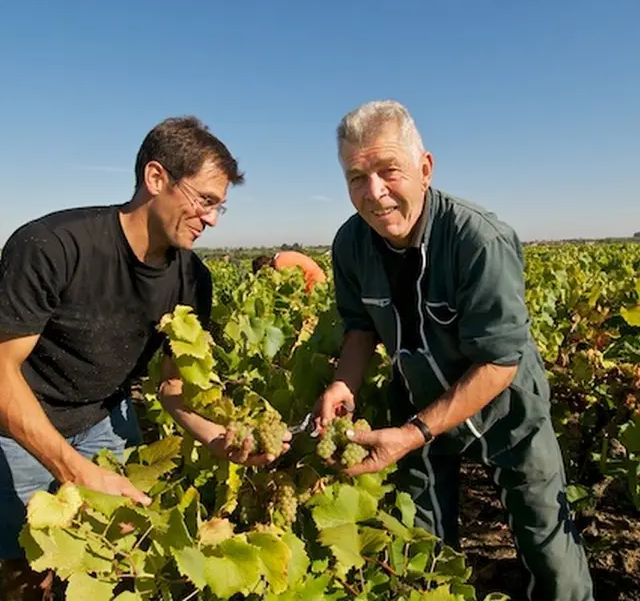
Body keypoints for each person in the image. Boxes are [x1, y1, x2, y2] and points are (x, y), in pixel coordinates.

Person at [313, 100, 594, 601]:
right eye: (356, 177)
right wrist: (343, 382)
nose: (374, 192)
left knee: (551, 553)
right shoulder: (350, 244)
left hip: (507, 407)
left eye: (388, 170)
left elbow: (499, 361)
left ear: (425, 169)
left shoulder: (477, 240)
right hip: (418, 400)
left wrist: (412, 433)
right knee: (422, 551)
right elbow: (360, 328)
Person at [0, 116, 289, 599]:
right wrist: (74, 470)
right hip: (19, 427)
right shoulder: (52, 247)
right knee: (26, 571)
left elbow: (172, 389)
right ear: (156, 178)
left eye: (220, 207)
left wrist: (215, 435)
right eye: (205, 201)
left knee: (111, 563)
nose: (213, 220)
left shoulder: (194, 279)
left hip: (106, 422)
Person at [252, 250, 327, 292]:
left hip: (314, 284)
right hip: (320, 280)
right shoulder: (280, 255)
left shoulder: (279, 265)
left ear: (265, 267)